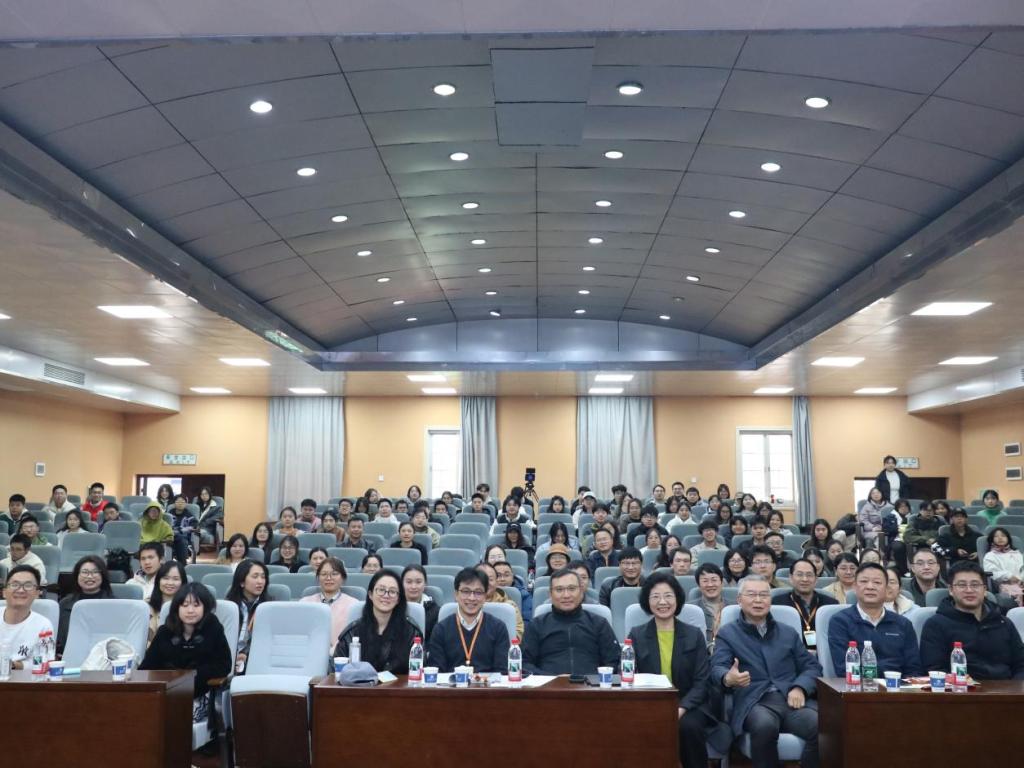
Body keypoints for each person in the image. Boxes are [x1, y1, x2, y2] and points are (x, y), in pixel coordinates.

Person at [711, 575, 822, 768]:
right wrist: (728, 678)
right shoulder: (728, 633)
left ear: (770, 600)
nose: (758, 600)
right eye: (752, 594)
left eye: (763, 595)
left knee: (822, 726)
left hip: (790, 699)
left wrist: (800, 688)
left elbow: (812, 667)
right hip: (754, 701)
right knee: (764, 727)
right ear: (739, 600)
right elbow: (716, 667)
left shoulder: (787, 632)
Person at [628, 572, 718, 768]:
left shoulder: (694, 635)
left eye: (668, 596)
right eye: (655, 596)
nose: (662, 602)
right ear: (647, 601)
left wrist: (680, 709)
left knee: (688, 726)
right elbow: (630, 677)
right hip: (649, 703)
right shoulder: (637, 635)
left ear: (677, 599)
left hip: (690, 704)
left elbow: (702, 681)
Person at [140, 582, 232, 722]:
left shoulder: (214, 629)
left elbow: (224, 665)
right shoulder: (165, 632)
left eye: (196, 605)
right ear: (177, 607)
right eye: (184, 605)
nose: (190, 610)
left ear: (205, 607)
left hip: (201, 692)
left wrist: (190, 676)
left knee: (177, 718)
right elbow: (147, 667)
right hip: (166, 692)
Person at [920, 561, 1024, 680]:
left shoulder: (1003, 623)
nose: (969, 590)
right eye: (962, 585)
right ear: (951, 590)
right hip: (960, 689)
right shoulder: (936, 625)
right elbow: (935, 670)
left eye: (975, 585)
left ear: (984, 590)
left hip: (1007, 689)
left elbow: (1021, 664)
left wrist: (1016, 688)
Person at [827, 562, 922, 677]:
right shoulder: (840, 621)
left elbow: (914, 669)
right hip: (858, 685)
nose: (870, 587)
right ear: (855, 587)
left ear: (886, 589)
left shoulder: (903, 624)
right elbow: (844, 669)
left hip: (898, 685)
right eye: (864, 581)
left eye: (877, 582)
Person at [521, 567, 620, 675]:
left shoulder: (599, 623)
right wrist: (553, 679)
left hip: (591, 683)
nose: (566, 595)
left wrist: (592, 679)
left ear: (581, 591)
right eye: (559, 590)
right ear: (550, 594)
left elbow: (614, 661)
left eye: (572, 589)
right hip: (548, 683)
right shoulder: (536, 625)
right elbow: (524, 664)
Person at [334, 570, 419, 673]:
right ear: (370, 594)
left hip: (401, 683)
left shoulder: (411, 632)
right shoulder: (352, 632)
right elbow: (336, 671)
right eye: (381, 590)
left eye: (392, 592)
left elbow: (419, 670)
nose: (386, 595)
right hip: (360, 683)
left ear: (398, 599)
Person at [427, 567, 510, 673]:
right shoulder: (441, 629)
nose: (471, 598)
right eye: (466, 591)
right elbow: (436, 672)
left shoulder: (498, 628)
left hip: (488, 683)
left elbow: (502, 672)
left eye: (478, 592)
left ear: (485, 596)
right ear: (456, 595)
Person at [771, 557, 837, 652]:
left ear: (816, 579)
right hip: (789, 654)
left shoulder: (830, 604)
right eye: (799, 575)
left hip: (823, 653)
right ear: (790, 578)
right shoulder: (778, 603)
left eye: (809, 575)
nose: (805, 579)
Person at [56, 555, 114, 654]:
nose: (89, 576)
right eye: (84, 572)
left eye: (95, 572)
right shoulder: (64, 604)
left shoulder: (114, 604)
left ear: (103, 575)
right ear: (77, 575)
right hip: (71, 654)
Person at [0, 564, 53, 668]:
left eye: (28, 585)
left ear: (37, 593)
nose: (21, 590)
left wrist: (13, 665)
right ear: (4, 592)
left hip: (23, 677)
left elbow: (44, 661)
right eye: (15, 585)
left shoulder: (44, 626)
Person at [226, 560, 271, 673]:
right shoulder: (229, 606)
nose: (260, 581)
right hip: (227, 658)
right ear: (241, 582)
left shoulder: (270, 607)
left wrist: (246, 654)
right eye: (255, 577)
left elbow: (268, 641)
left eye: (263, 577)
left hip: (258, 661)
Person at [301, 557, 360, 643]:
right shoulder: (305, 603)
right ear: (318, 578)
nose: (328, 578)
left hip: (342, 650)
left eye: (334, 574)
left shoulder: (353, 605)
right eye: (324, 574)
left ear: (343, 578)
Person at [477, 562, 524, 640]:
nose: (486, 583)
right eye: (481, 579)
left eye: (490, 579)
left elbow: (517, 635)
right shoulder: (464, 604)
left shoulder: (509, 606)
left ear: (496, 582)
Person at [693, 563, 732, 650]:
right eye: (705, 581)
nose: (710, 585)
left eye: (714, 580)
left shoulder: (734, 608)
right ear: (699, 585)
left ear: (722, 583)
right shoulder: (692, 609)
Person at [146, 560, 186, 643]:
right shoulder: (146, 606)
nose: (170, 583)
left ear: (183, 582)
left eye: (176, 579)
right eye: (165, 578)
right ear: (158, 581)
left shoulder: (187, 607)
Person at [983, 526, 1024, 605]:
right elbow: (992, 572)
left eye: (1003, 536)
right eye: (996, 536)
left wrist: (1021, 579)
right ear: (992, 539)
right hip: (1005, 584)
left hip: (1021, 582)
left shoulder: (1016, 553)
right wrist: (1009, 576)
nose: (1000, 538)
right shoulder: (990, 555)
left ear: (1008, 538)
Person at [401, 564, 440, 640]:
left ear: (425, 584)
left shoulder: (435, 611)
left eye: (418, 582)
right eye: (409, 582)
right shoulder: (394, 606)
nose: (413, 586)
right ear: (402, 584)